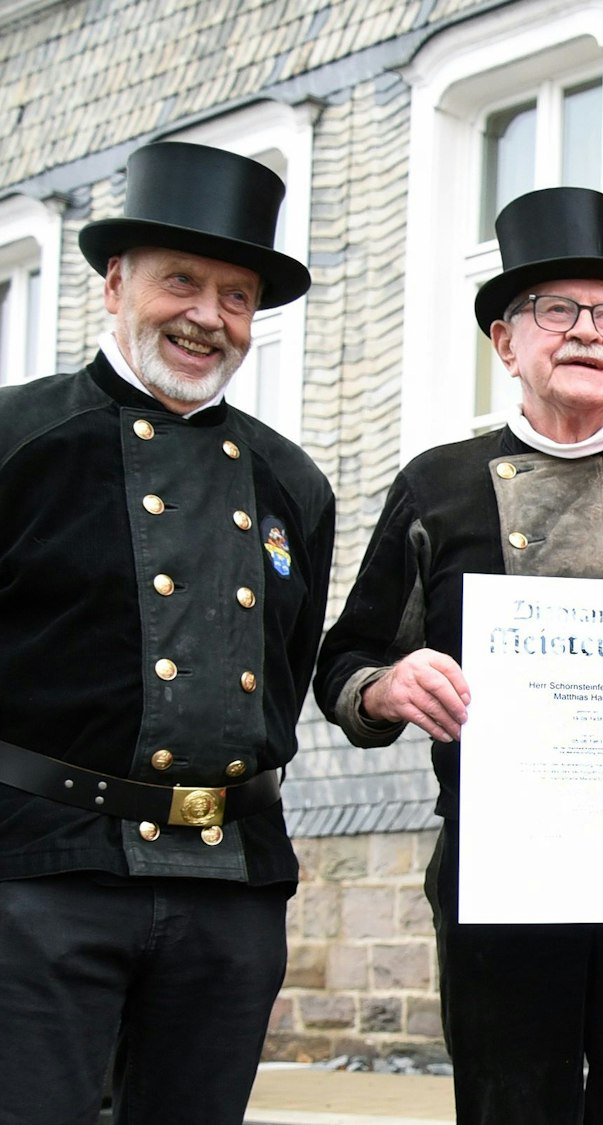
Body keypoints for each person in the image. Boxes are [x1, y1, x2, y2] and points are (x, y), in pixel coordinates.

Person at [314, 187, 603, 1125]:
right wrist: (390, 686)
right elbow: (346, 661)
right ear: (505, 340)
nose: (586, 333)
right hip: (502, 878)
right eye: (556, 311)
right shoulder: (437, 488)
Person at [0, 141, 333, 1124]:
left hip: (230, 889)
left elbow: (287, 671)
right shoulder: (17, 442)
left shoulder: (293, 483)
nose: (207, 316)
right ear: (115, 283)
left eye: (236, 297)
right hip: (39, 877)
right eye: (180, 281)